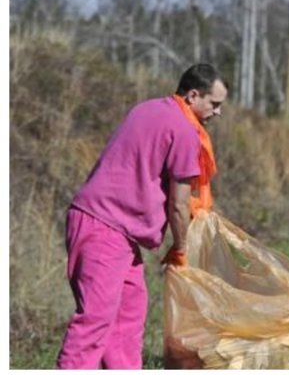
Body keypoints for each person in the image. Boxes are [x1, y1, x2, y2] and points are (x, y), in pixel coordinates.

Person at [56, 64, 228, 368]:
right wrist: (182, 249)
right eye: (214, 104)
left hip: (113, 230)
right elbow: (178, 203)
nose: (218, 113)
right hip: (104, 226)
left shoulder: (148, 108)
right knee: (95, 321)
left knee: (128, 317)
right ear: (192, 95)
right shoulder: (186, 131)